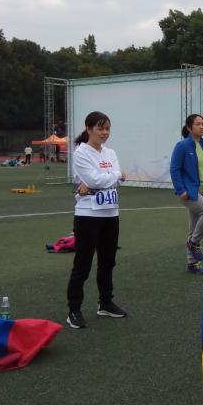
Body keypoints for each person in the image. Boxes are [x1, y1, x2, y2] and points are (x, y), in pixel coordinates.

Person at [66, 111, 127, 329]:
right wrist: (115, 175)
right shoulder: (81, 153)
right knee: (82, 264)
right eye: (100, 128)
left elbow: (106, 182)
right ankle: (74, 309)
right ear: (89, 129)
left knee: (108, 262)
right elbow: (95, 179)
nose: (104, 133)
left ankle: (105, 303)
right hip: (88, 215)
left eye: (107, 128)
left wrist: (104, 180)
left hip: (111, 213)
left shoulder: (110, 152)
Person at [170, 115, 203, 274]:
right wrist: (181, 190)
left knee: (193, 226)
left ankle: (192, 264)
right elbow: (174, 169)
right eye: (198, 124)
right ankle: (193, 243)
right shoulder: (182, 146)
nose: (202, 126)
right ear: (189, 128)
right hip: (190, 192)